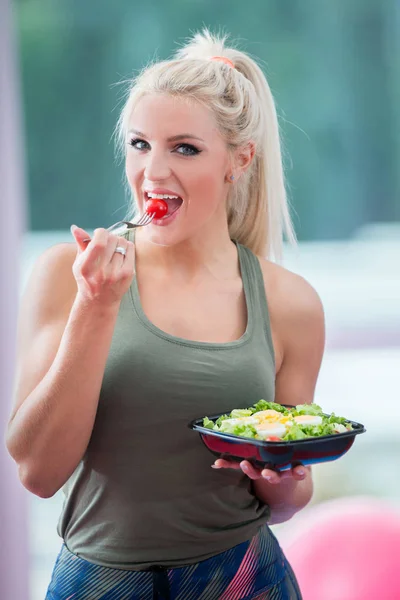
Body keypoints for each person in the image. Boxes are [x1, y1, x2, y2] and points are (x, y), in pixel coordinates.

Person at [6, 30, 325, 600]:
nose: (153, 170)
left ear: (239, 159)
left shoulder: (290, 303)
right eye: (139, 144)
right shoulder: (69, 274)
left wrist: (284, 480)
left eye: (184, 148)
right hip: (99, 582)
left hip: (244, 578)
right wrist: (96, 307)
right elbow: (37, 472)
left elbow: (287, 500)